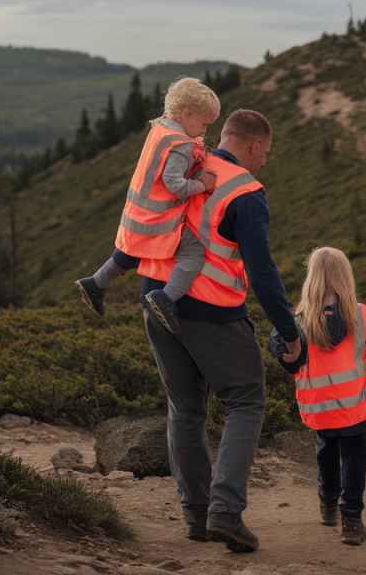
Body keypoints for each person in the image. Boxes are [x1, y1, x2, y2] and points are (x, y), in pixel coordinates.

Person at [136, 109, 302, 553]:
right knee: (246, 399)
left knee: (186, 409)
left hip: (155, 296)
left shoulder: (187, 162)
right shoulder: (245, 193)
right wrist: (290, 333)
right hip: (209, 310)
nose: (264, 161)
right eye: (265, 152)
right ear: (254, 146)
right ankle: (225, 513)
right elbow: (264, 275)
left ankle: (197, 517)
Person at [269, 247, 366, 546]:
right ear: (345, 276)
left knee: (326, 451)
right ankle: (352, 521)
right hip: (355, 407)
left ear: (311, 277)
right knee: (354, 458)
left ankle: (328, 504)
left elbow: (283, 353)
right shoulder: (358, 314)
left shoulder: (298, 318)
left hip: (319, 407)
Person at [75, 76, 220, 333]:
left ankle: (96, 283)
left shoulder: (160, 129)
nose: (204, 131)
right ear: (186, 113)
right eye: (204, 123)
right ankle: (166, 299)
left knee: (133, 251)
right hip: (159, 218)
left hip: (136, 213)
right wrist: (202, 185)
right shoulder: (180, 145)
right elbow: (174, 183)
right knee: (193, 254)